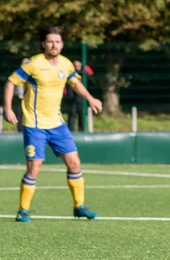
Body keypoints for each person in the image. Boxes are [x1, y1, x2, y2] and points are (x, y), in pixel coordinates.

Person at [3, 26, 103, 222]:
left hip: (57, 124)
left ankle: (79, 206)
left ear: (62, 44)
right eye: (50, 41)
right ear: (43, 44)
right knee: (35, 167)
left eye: (57, 41)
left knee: (74, 163)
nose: (54, 45)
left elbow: (75, 83)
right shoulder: (33, 63)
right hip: (34, 124)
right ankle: (23, 210)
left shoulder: (66, 64)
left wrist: (91, 99)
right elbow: (11, 82)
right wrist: (8, 108)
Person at [66, 60, 94, 132]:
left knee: (82, 114)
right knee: (72, 114)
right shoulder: (70, 72)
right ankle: (71, 130)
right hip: (71, 97)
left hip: (81, 98)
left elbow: (91, 74)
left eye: (79, 65)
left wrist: (84, 67)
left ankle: (81, 130)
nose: (77, 66)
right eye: (76, 65)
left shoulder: (84, 73)